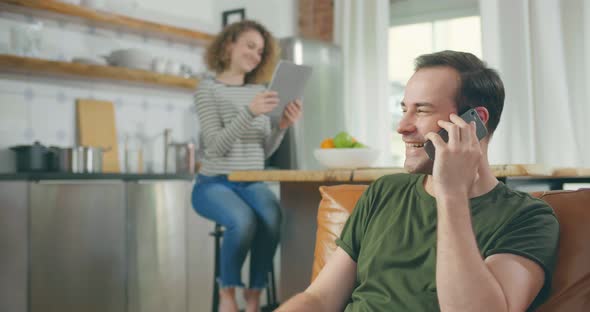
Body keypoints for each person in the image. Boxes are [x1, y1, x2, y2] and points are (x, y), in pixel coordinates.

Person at [278, 50, 559, 311]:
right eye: (404, 110)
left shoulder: (527, 217)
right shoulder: (384, 192)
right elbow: (319, 299)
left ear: (473, 123)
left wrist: (451, 194)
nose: (402, 127)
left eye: (422, 110)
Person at [191, 20, 302, 312]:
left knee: (272, 219)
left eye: (260, 51)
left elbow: (263, 150)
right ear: (229, 45)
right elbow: (214, 146)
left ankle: (254, 296)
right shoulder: (208, 90)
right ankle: (227, 292)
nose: (255, 54)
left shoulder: (261, 91)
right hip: (214, 182)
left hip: (252, 181)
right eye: (250, 46)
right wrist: (249, 112)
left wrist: (281, 126)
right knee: (242, 222)